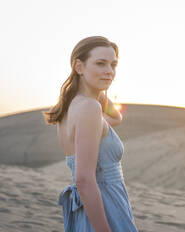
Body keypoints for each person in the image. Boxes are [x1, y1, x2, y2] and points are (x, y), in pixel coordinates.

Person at [42, 36, 139, 232]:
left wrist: (99, 88)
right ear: (79, 66)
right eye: (100, 64)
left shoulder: (72, 106)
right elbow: (84, 179)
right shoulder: (89, 108)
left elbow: (117, 118)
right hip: (105, 206)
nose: (110, 71)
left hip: (91, 207)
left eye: (113, 65)